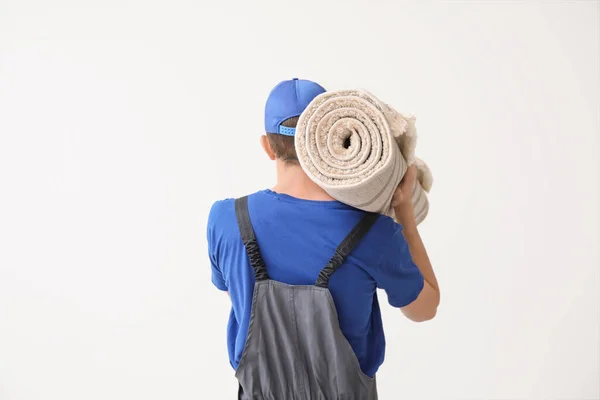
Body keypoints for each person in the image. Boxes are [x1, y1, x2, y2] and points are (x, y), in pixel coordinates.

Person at [207, 78, 440, 399]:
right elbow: (424, 309)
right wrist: (406, 219)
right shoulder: (373, 230)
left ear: (266, 146)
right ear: (329, 141)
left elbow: (226, 285)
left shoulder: (227, 220)